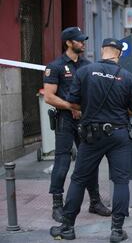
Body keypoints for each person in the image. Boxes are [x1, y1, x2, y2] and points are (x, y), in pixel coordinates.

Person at [49, 38, 132, 242]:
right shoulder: (127, 77)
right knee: (120, 181)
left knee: (78, 179)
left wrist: (90, 107)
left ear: (102, 50)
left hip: (92, 135)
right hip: (119, 134)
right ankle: (117, 231)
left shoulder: (84, 72)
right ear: (119, 54)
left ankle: (67, 228)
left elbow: (73, 102)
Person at [43, 27, 111, 223]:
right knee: (62, 162)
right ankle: (57, 205)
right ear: (68, 43)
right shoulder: (55, 66)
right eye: (79, 40)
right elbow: (48, 96)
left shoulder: (88, 66)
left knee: (90, 160)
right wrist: (70, 106)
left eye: (83, 40)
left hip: (85, 120)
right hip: (65, 120)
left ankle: (95, 201)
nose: (83, 43)